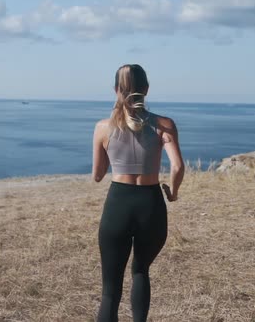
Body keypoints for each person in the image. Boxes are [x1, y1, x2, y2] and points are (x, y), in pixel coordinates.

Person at [91, 64, 185, 321]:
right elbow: (177, 166)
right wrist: (173, 193)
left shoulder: (102, 127)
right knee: (141, 271)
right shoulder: (164, 124)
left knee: (110, 291)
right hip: (151, 204)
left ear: (115, 90)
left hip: (118, 205)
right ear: (146, 89)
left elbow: (98, 176)